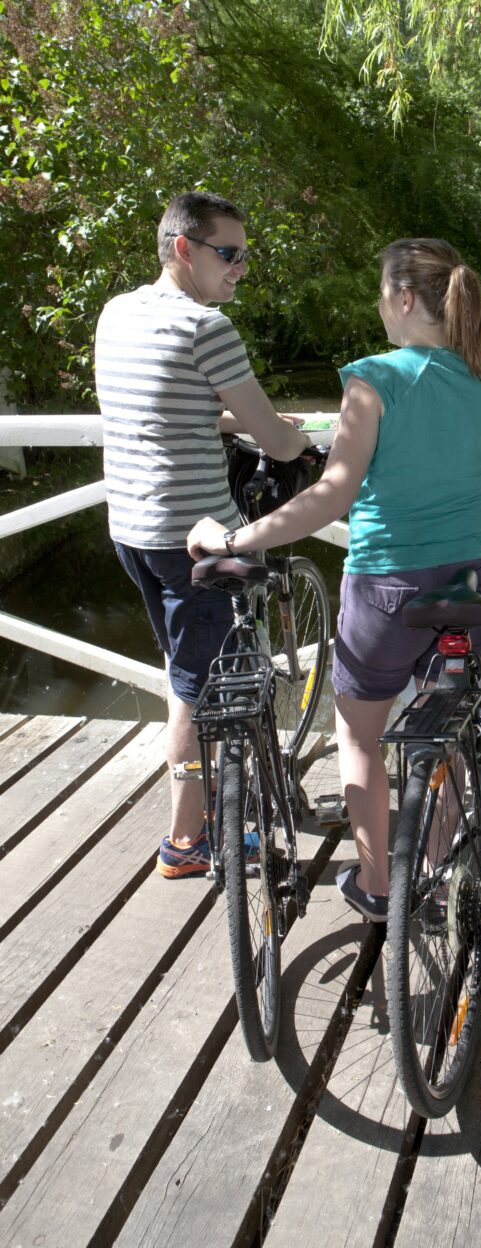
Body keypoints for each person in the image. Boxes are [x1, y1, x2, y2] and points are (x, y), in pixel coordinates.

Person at [187, 237, 481, 921]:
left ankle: (378, 885)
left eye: (381, 293)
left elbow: (331, 496)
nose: (380, 306)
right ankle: (434, 870)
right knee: (452, 727)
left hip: (387, 590)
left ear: (403, 298)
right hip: (473, 583)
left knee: (362, 737)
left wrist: (231, 537)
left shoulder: (373, 379)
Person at [95, 190, 312, 879]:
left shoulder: (117, 314)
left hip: (130, 528)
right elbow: (277, 440)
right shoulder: (205, 327)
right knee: (196, 686)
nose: (241, 268)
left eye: (246, 255)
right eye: (230, 253)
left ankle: (204, 806)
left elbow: (157, 404)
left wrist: (218, 421)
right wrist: (296, 437)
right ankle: (186, 842)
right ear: (183, 248)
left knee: (182, 671)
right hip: (190, 538)